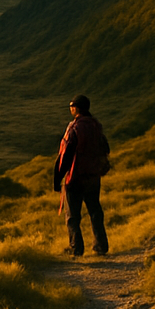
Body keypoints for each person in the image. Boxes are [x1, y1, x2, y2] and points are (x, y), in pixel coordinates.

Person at [54, 94, 110, 257]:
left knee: (72, 216)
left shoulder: (75, 128)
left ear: (76, 108)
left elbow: (66, 154)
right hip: (93, 176)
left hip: (76, 177)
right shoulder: (96, 126)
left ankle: (75, 248)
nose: (70, 109)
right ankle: (101, 246)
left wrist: (58, 178)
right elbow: (105, 147)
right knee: (95, 211)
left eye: (71, 106)